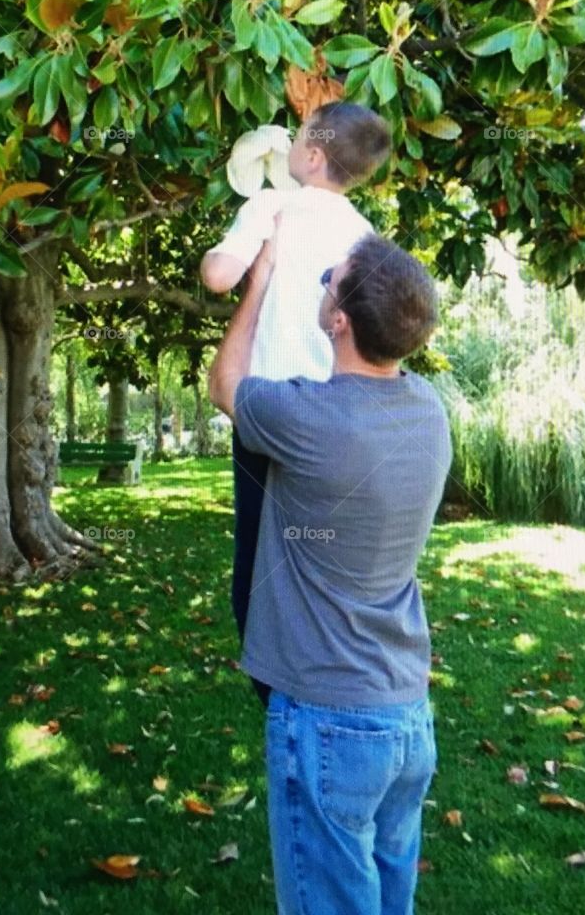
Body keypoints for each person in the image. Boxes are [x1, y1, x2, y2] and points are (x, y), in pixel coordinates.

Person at [208, 231, 452, 915]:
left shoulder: (307, 419)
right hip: (405, 717)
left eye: (326, 278)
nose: (318, 286)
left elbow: (223, 384)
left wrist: (256, 282)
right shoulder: (429, 412)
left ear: (339, 319)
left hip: (329, 724)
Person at [200, 102, 391, 705]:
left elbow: (218, 278)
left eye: (298, 137)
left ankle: (274, 688)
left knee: (257, 555)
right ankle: (326, 670)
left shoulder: (269, 205)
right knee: (321, 549)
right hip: (335, 416)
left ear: (311, 155)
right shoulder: (364, 234)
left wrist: (232, 257)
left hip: (266, 414)